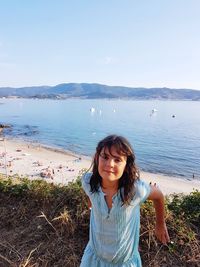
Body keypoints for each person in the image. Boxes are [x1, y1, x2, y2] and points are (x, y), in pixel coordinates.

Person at [80, 135, 170, 267]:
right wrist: (92, 207)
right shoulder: (88, 182)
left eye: (117, 160)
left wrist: (160, 225)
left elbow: (159, 195)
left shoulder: (135, 190)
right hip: (94, 259)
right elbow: (90, 197)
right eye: (105, 157)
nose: (110, 164)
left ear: (126, 165)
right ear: (96, 157)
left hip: (123, 263)